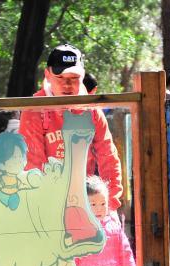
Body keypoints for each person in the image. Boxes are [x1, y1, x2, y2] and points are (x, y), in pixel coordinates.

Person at [18, 44, 123, 211]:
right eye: (60, 77)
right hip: (47, 203)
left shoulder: (91, 110)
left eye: (73, 78)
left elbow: (108, 157)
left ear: (82, 76)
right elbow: (33, 164)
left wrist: (109, 205)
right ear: (48, 74)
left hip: (87, 201)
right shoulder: (34, 109)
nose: (67, 84)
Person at [70, 175, 137, 266]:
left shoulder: (115, 229)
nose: (99, 209)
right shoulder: (77, 231)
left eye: (103, 204)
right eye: (93, 204)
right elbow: (70, 262)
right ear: (83, 204)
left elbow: (126, 257)